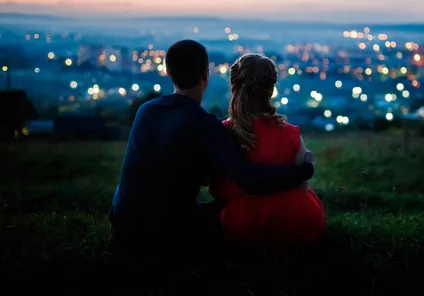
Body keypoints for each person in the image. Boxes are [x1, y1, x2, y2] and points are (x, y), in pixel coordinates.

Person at [108, 40, 315, 256]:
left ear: (168, 72)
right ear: (206, 75)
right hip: (164, 234)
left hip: (122, 223)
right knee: (228, 212)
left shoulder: (146, 110)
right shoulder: (204, 124)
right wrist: (303, 171)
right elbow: (251, 180)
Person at [209, 54, 327, 251]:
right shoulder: (291, 133)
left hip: (242, 222)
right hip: (298, 221)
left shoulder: (225, 133)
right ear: (271, 90)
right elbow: (302, 189)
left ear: (234, 86)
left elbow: (216, 190)